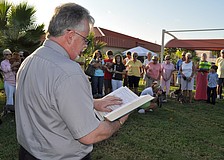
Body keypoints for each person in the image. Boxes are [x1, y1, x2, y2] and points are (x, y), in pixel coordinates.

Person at [15, 3, 128, 160]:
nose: (85, 45)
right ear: (70, 36)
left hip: (28, 153)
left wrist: (94, 102)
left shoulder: (31, 59)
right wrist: (119, 120)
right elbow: (89, 135)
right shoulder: (69, 71)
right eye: (85, 39)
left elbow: (45, 101)